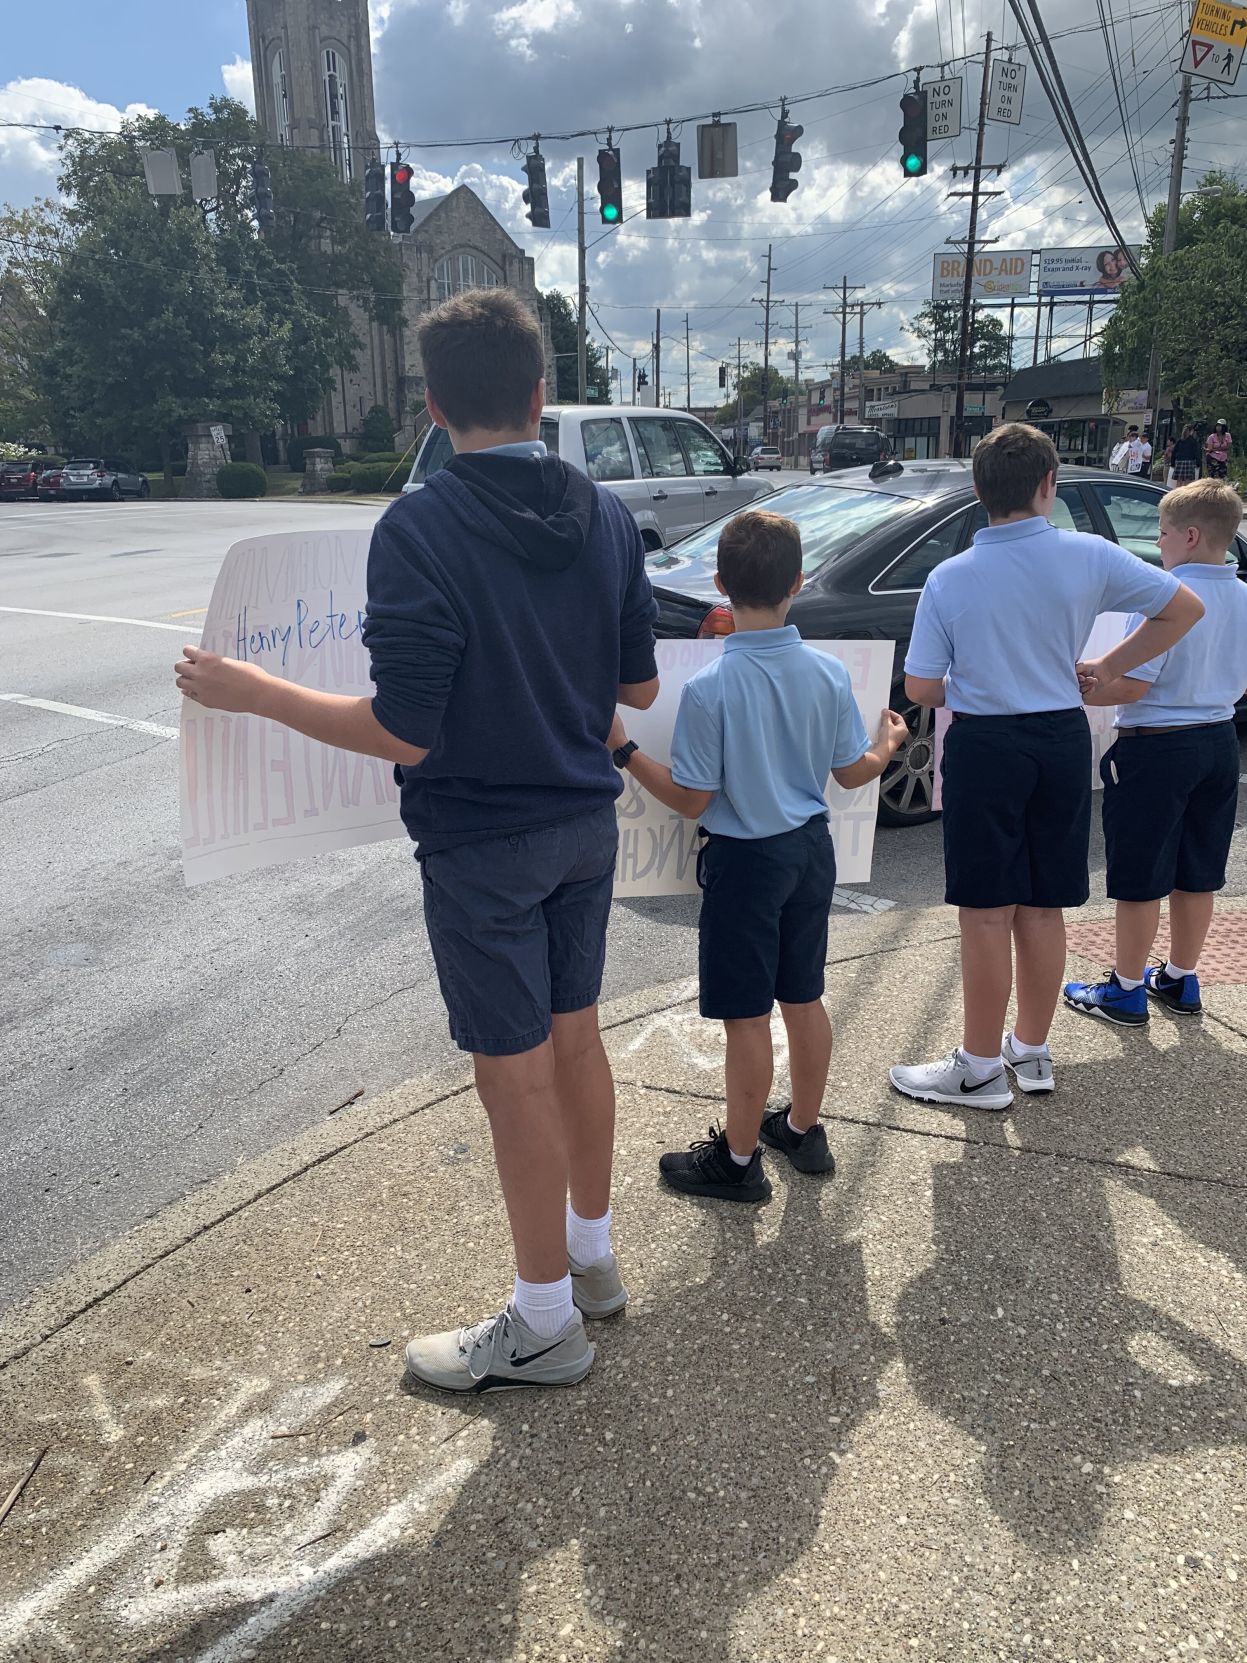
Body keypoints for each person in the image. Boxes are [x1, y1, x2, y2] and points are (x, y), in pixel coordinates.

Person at [175, 288, 660, 1393]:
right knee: (574, 1040)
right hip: (585, 822)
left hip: (482, 844)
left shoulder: (420, 525)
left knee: (513, 1076)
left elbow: (404, 728)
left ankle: (541, 1324)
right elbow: (633, 681)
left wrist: (253, 691)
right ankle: (590, 1260)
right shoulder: (607, 513)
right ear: (542, 394)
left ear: (434, 408)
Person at [889, 423, 1204, 1112]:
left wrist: (973, 680)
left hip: (984, 743)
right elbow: (1184, 606)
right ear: (1047, 485)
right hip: (1062, 735)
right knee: (1042, 903)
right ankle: (1028, 1047)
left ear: (977, 492)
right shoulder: (1088, 554)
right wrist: (1106, 667)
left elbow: (918, 687)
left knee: (983, 910)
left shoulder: (949, 576)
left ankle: (975, 1066)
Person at [607, 509, 907, 1200]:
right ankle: (801, 1128)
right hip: (810, 849)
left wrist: (623, 750)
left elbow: (690, 799)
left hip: (744, 860)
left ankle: (737, 1162)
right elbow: (851, 773)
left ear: (718, 584)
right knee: (803, 995)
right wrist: (889, 742)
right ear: (797, 583)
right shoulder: (828, 674)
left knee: (746, 1015)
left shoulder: (709, 689)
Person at [1065, 479, 1247, 1024]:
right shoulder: (1243, 597)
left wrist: (1087, 680)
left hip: (1156, 745)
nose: (1158, 544)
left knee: (1141, 873)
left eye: (1163, 534)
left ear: (1189, 536)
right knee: (1199, 870)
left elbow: (1132, 685)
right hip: (1220, 740)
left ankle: (1124, 988)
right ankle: (1180, 977)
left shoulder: (1161, 600)